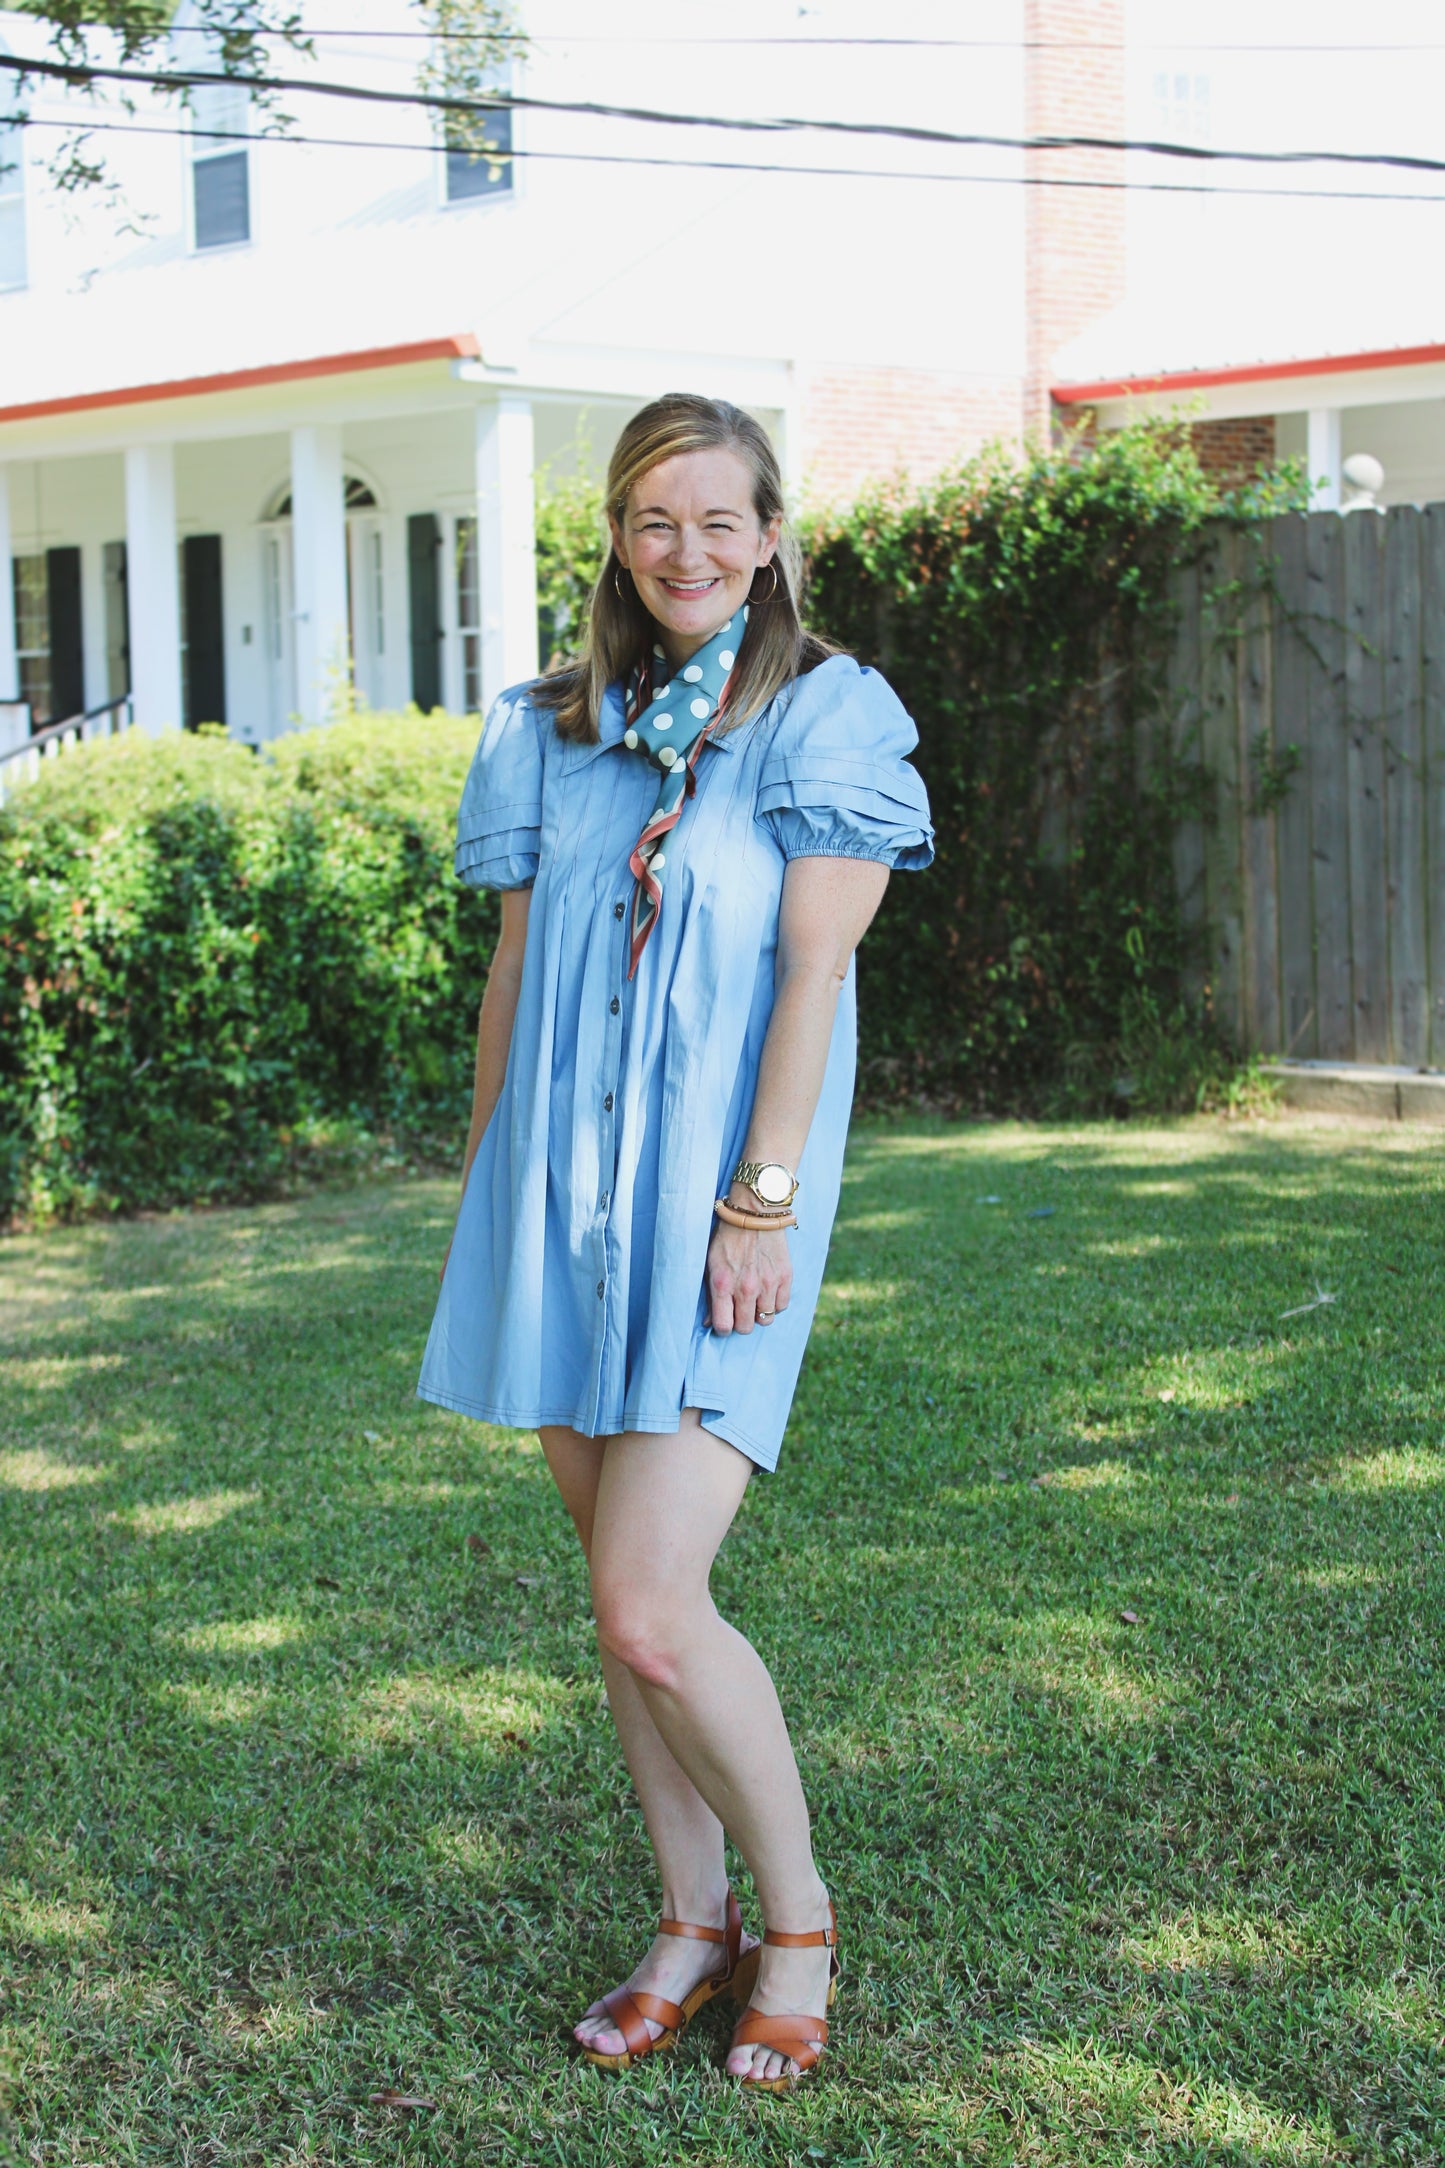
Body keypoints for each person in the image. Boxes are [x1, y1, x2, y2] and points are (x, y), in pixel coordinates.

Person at [417, 392, 933, 2091]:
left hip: (717, 1208)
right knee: (614, 1599)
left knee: (650, 1608)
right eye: (655, 519)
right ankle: (685, 1923)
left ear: (769, 537)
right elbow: (515, 969)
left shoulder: (824, 714)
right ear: (617, 541)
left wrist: (759, 1200)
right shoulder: (544, 728)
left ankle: (799, 1924)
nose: (686, 549)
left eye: (719, 519)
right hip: (553, 1203)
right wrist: (487, 1182)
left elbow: (812, 974)